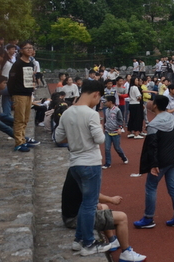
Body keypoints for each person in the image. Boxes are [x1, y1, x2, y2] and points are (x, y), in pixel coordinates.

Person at [54, 79, 110, 256]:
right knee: (89, 204)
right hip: (90, 162)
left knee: (84, 202)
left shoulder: (68, 112)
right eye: (98, 98)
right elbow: (100, 139)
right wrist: (100, 126)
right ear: (96, 94)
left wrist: (75, 137)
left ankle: (78, 240)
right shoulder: (91, 114)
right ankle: (88, 243)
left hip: (75, 162)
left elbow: (58, 137)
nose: (98, 102)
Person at [62, 170, 146, 261]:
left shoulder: (76, 168)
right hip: (76, 218)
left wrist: (96, 202)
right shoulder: (86, 170)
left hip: (70, 215)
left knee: (104, 207)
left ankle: (112, 240)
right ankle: (126, 253)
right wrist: (111, 199)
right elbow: (94, 194)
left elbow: (85, 193)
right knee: (122, 217)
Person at [133, 94, 174, 229]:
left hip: (161, 161)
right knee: (173, 187)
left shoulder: (153, 125)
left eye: (152, 101)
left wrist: (154, 164)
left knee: (151, 187)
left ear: (155, 105)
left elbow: (152, 147)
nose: (150, 103)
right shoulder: (171, 118)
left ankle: (148, 218)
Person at [6, 41, 40, 152]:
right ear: (21, 50)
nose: (30, 50)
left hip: (28, 93)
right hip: (19, 94)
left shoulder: (31, 63)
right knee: (19, 119)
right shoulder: (17, 64)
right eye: (27, 48)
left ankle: (23, 139)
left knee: (25, 119)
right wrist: (12, 95)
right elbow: (11, 81)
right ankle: (19, 142)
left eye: (31, 48)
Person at [102, 95, 128, 169]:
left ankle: (123, 157)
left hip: (115, 132)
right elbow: (105, 119)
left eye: (106, 102)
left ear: (110, 102)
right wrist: (104, 127)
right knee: (107, 148)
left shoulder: (117, 110)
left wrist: (120, 128)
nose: (105, 103)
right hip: (107, 131)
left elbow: (120, 119)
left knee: (117, 147)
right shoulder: (106, 110)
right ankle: (108, 163)